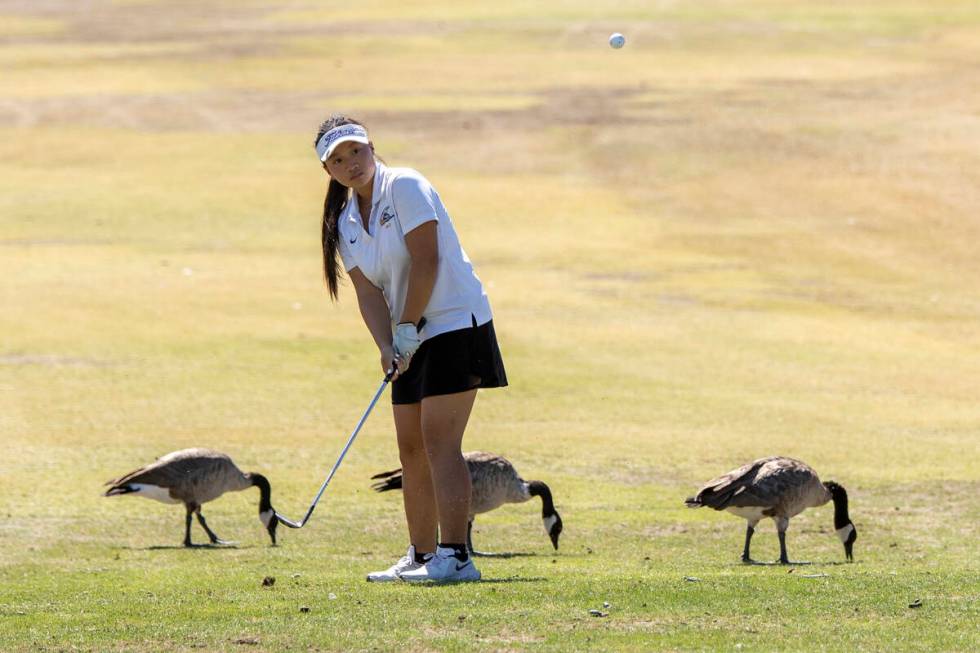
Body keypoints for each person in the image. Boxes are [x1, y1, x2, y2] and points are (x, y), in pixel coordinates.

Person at [314, 115, 507, 582]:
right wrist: (387, 343)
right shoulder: (344, 222)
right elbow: (367, 293)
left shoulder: (405, 186)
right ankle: (420, 555)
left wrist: (405, 327)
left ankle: (456, 557)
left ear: (371, 147)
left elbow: (428, 260)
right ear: (329, 171)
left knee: (441, 441)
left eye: (355, 151)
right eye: (337, 160)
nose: (350, 164)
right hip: (411, 335)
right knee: (411, 448)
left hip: (456, 322)